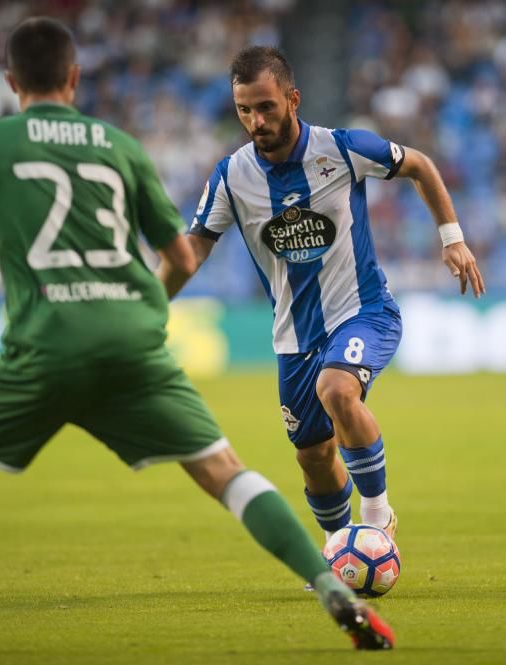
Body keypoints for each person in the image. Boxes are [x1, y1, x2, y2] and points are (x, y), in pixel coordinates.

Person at [0, 18, 393, 654]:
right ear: (75, 79)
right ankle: (331, 588)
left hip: (45, 341)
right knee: (224, 469)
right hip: (128, 336)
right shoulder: (118, 145)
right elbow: (181, 257)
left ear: (9, 83)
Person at [162, 46, 485, 551]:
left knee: (337, 391)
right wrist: (147, 302)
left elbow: (419, 165)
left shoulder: (342, 149)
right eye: (244, 109)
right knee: (312, 455)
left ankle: (378, 519)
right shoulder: (231, 176)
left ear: (293, 99)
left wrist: (452, 237)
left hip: (365, 312)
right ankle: (341, 551)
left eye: (266, 106)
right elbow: (193, 250)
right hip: (294, 334)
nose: (255, 120)